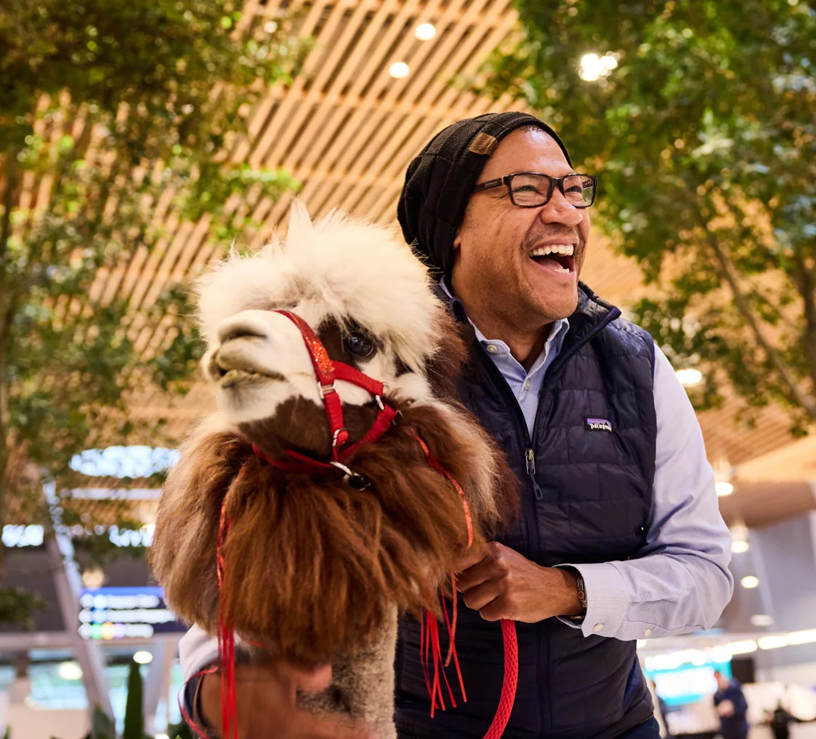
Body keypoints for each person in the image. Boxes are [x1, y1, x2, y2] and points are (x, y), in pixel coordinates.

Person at [177, 112, 734, 738]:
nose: (565, 213)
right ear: (454, 229)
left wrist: (567, 591)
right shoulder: (381, 364)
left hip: (617, 727)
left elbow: (704, 575)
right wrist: (228, 687)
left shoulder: (635, 363)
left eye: (573, 189)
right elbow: (256, 538)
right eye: (527, 189)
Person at [713, 671, 749, 739]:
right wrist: (720, 710)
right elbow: (716, 710)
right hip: (727, 730)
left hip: (739, 728)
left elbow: (744, 706)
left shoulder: (736, 691)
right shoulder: (718, 695)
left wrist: (732, 710)